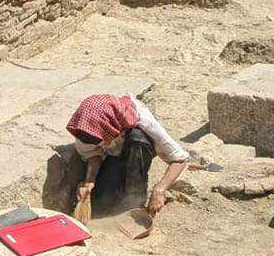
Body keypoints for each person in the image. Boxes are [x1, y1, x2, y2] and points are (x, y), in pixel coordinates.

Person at [62, 93, 190, 219]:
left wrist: (160, 190)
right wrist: (89, 180)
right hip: (112, 156)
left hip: (136, 154)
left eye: (97, 140)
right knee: (101, 207)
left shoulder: (144, 122)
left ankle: (135, 201)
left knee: (138, 139)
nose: (88, 142)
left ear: (109, 128)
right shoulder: (85, 129)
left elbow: (179, 159)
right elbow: (93, 154)